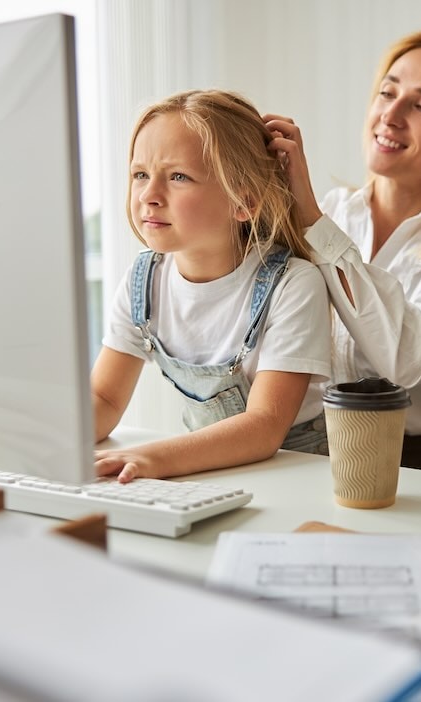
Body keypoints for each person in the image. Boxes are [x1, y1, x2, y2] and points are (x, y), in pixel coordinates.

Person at [265, 31, 421, 476]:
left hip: (416, 461)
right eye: (387, 93)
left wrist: (310, 220)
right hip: (313, 449)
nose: (391, 114)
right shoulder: (332, 212)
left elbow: (405, 358)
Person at [91, 89, 332, 483]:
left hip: (296, 477)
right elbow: (103, 398)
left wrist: (149, 458)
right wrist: (41, 443)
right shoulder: (143, 281)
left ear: (244, 202)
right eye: (140, 175)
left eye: (178, 177)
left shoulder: (293, 285)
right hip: (211, 473)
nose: (149, 195)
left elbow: (264, 426)